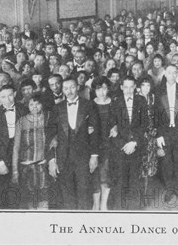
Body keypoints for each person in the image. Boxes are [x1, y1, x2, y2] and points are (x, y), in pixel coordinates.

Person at [46, 78, 101, 210]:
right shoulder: (57, 107)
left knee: (84, 191)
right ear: (62, 90)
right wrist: (51, 160)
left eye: (72, 87)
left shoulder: (89, 105)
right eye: (65, 88)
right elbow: (50, 135)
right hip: (63, 157)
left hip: (83, 156)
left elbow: (95, 132)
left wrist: (94, 156)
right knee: (67, 194)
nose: (69, 91)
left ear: (77, 87)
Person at [0, 84, 28, 209]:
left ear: (15, 94)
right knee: (0, 191)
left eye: (10, 95)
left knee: (21, 190)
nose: (8, 99)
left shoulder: (24, 110)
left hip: (21, 154)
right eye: (4, 97)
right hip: (1, 154)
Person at [154, 64, 178, 203]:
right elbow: (155, 114)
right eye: (169, 73)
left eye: (175, 73)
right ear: (165, 74)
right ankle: (169, 189)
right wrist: (158, 135)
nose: (172, 75)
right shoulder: (158, 90)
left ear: (177, 74)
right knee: (167, 163)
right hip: (164, 132)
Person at [110, 76, 148, 210]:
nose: (128, 90)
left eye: (131, 87)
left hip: (136, 145)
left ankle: (135, 208)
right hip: (121, 147)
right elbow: (112, 129)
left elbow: (145, 125)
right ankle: (120, 208)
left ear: (135, 87)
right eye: (125, 87)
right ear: (121, 87)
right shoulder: (115, 103)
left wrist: (135, 142)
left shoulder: (141, 100)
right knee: (120, 177)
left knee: (135, 177)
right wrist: (124, 145)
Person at [11, 93, 50, 209]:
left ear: (42, 104)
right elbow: (16, 147)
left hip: (43, 167)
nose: (34, 107)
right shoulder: (21, 122)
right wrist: (15, 171)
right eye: (31, 104)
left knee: (44, 202)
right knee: (29, 203)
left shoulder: (48, 118)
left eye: (37, 103)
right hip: (26, 168)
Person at [90, 77, 118, 211]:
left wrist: (117, 127)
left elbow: (120, 121)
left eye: (104, 88)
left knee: (106, 173)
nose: (101, 92)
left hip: (109, 144)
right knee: (94, 173)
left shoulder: (114, 103)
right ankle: (95, 204)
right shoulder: (89, 104)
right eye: (98, 89)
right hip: (93, 144)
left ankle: (104, 204)